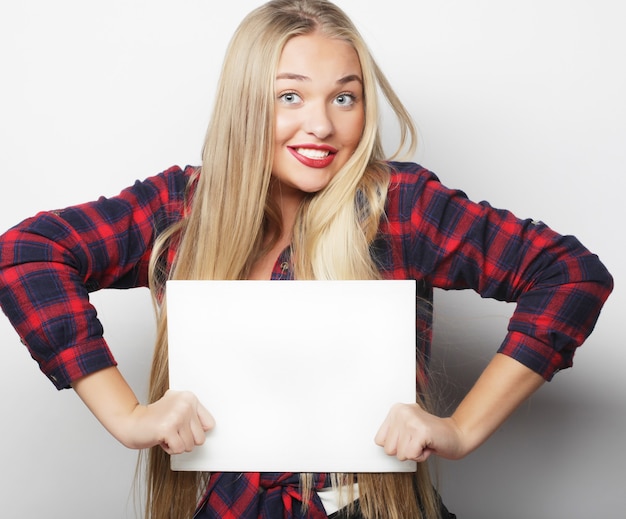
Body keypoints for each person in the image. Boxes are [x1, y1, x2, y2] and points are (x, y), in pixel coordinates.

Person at [0, 0, 613, 518]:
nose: (320, 125)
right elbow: (26, 253)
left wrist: (460, 430)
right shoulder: (177, 207)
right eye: (289, 96)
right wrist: (128, 417)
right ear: (245, 105)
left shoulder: (399, 206)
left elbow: (569, 274)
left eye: (344, 99)